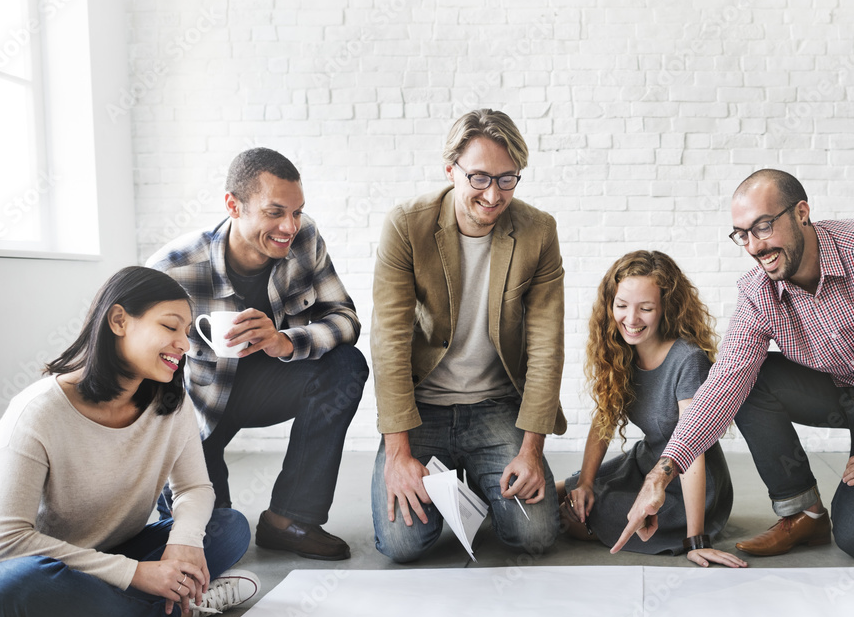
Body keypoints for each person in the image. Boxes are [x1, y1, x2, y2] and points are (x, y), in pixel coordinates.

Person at [0, 267, 258, 617]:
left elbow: (193, 486)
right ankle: (173, 616)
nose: (184, 343)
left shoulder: (170, 402)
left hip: (92, 560)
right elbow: (4, 542)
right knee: (35, 583)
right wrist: (136, 573)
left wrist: (184, 543)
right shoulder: (38, 412)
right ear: (118, 321)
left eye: (188, 330)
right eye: (170, 327)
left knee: (228, 528)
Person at [614, 169, 854, 561]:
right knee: (746, 380)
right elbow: (724, 383)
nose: (754, 246)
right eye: (741, 234)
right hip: (850, 395)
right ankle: (804, 513)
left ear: (801, 213)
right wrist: (660, 475)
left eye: (763, 227)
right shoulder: (758, 293)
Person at [149, 148, 367, 561]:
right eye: (275, 212)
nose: (290, 226)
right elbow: (144, 376)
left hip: (271, 386)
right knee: (215, 542)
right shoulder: (172, 269)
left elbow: (345, 318)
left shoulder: (304, 239)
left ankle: (289, 520)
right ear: (233, 205)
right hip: (199, 410)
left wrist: (288, 341)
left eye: (298, 211)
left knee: (346, 365)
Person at [370, 108, 565, 562]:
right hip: (423, 409)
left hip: (495, 407)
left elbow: (546, 346)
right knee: (402, 544)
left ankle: (480, 474)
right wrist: (399, 455)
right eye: (478, 178)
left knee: (534, 536)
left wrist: (531, 450)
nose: (493, 195)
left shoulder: (538, 231)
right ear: (450, 171)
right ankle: (458, 479)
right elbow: (389, 344)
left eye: (507, 179)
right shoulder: (406, 225)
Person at [559, 251, 744, 568]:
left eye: (645, 308)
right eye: (621, 306)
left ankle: (677, 528)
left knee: (576, 515)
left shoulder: (688, 360)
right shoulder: (620, 351)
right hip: (643, 462)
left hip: (688, 486)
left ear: (665, 309)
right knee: (564, 491)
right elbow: (604, 418)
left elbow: (694, 452)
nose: (631, 320)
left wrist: (696, 540)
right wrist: (586, 482)